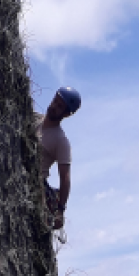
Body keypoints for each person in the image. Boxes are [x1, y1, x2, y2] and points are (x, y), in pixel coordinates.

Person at [34, 86, 81, 230]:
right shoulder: (34, 118)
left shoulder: (61, 141)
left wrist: (60, 210)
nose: (54, 106)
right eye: (55, 100)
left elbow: (65, 177)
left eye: (60, 106)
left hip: (35, 182)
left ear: (66, 114)